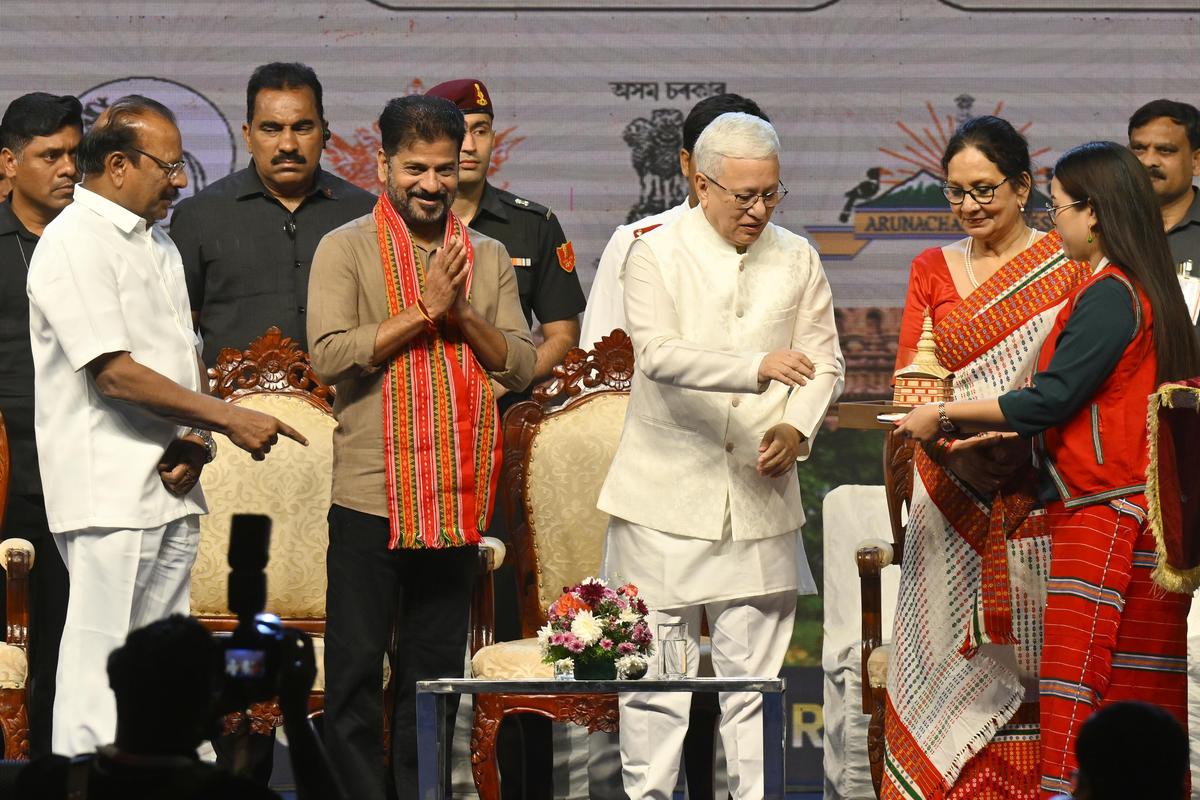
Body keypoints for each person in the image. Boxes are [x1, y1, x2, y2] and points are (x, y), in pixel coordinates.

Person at [895, 140, 1200, 797]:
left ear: (1093, 213)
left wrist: (946, 415)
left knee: (1084, 693)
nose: (1054, 222)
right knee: (1135, 692)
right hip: (1136, 515)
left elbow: (1051, 398)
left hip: (1108, 517)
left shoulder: (1113, 292)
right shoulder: (1142, 286)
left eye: (1058, 208)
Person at [26, 95, 306, 757]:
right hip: (108, 489)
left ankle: (171, 778)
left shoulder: (156, 241)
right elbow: (114, 373)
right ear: (118, 164)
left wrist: (199, 437)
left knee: (163, 672)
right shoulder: (74, 241)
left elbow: (180, 358)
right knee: (101, 664)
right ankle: (83, 784)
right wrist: (230, 418)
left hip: (171, 483)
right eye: (169, 166)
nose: (179, 181)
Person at [596, 112, 844, 799]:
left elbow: (825, 361)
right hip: (663, 495)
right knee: (654, 679)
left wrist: (797, 428)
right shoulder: (654, 251)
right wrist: (757, 365)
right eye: (744, 196)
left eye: (771, 193)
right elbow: (658, 354)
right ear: (700, 183)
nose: (759, 209)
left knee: (755, 684)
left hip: (759, 492)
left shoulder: (797, 256)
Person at [307, 94, 535, 800]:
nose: (431, 185)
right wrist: (421, 313)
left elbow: (520, 364)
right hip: (369, 499)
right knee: (351, 677)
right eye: (415, 169)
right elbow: (328, 356)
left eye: (444, 170)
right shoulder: (343, 248)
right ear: (382, 166)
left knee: (431, 681)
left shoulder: (488, 256)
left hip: (453, 500)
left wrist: (459, 310)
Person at [883, 116, 1090, 800]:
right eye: (954, 192)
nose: (970, 206)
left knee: (1031, 651)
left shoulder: (1067, 264)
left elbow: (1073, 379)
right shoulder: (931, 269)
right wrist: (961, 457)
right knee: (943, 649)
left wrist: (1015, 449)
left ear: (1025, 186)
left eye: (985, 189)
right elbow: (913, 384)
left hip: (1037, 484)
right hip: (948, 489)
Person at [170, 62, 376, 366]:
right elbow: (178, 337)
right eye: (271, 129)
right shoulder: (199, 216)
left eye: (303, 127)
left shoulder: (367, 215)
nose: (288, 144)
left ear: (325, 132)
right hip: (231, 408)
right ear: (248, 136)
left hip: (343, 409)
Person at [15, 615, 341, 800]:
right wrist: (296, 718)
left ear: (115, 683)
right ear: (212, 714)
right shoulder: (234, 796)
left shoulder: (49, 782)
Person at [0, 91, 82, 757]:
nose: (66, 168)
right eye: (48, 155)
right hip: (8, 480)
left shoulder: (100, 243)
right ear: (9, 162)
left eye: (73, 154)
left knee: (64, 658)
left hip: (84, 480)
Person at [425, 78, 585, 410]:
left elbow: (564, 337)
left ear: (494, 138)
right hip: (412, 408)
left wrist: (502, 381)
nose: (469, 145)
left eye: (480, 130)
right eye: (457, 130)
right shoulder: (397, 226)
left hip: (506, 416)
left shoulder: (533, 225)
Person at [580, 93, 769, 349]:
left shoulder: (791, 253)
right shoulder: (634, 244)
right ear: (686, 162)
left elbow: (818, 363)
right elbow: (597, 365)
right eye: (717, 163)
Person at [1128, 99, 1200, 334]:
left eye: (1165, 150)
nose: (1149, 161)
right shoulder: (1106, 227)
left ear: (1196, 161)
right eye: (1139, 149)